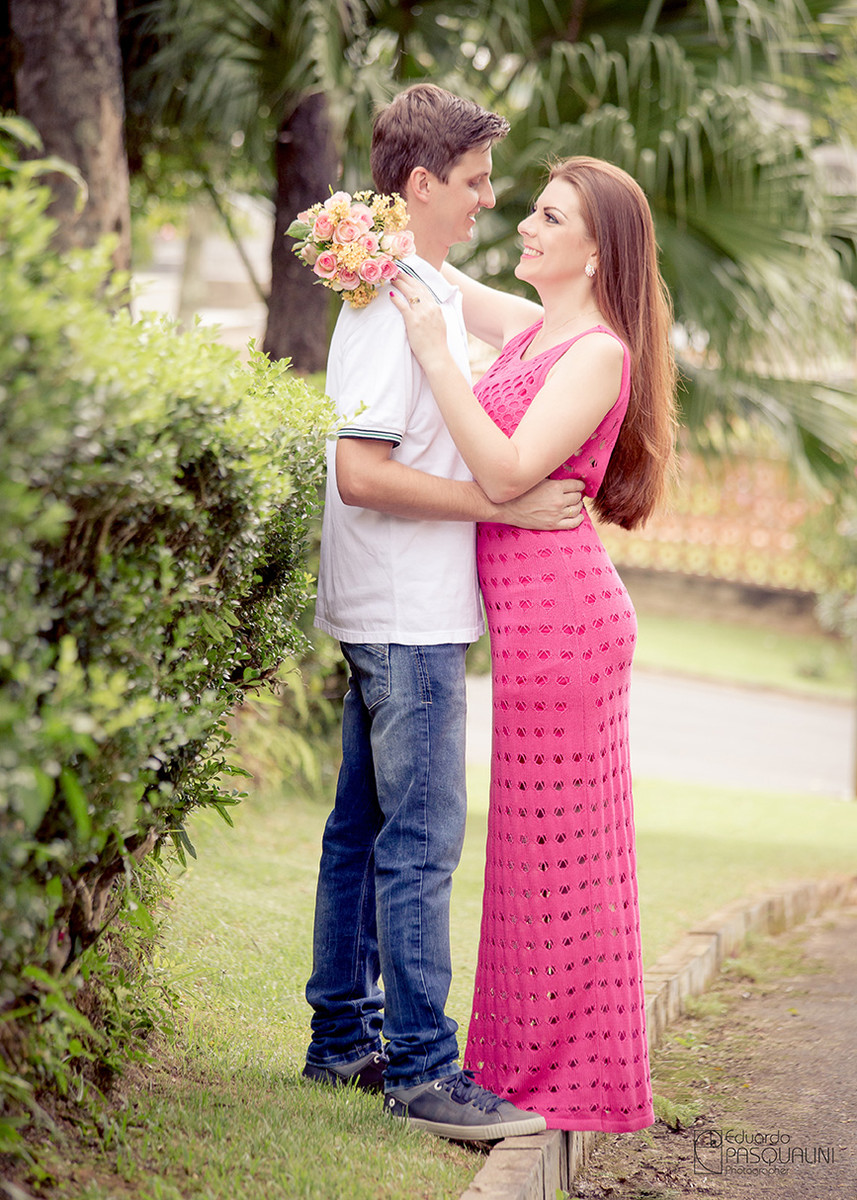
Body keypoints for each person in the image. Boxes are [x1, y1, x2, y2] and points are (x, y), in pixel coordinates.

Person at [303, 84, 586, 1141]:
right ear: (420, 184)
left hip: (389, 603)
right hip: (406, 613)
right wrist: (496, 502)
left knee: (360, 832)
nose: (487, 200)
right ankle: (423, 1071)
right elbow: (361, 474)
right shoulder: (395, 305)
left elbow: (539, 325)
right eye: (472, 182)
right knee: (419, 844)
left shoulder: (416, 281)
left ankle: (341, 1041)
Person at [389, 155, 678, 1132]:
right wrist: (365, 234)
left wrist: (436, 359)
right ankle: (522, 1068)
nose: (523, 224)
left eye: (549, 218)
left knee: (556, 864)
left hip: (564, 628)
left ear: (595, 253)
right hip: (531, 626)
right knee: (530, 862)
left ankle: (562, 1079)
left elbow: (508, 473)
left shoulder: (596, 352)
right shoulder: (531, 329)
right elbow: (435, 278)